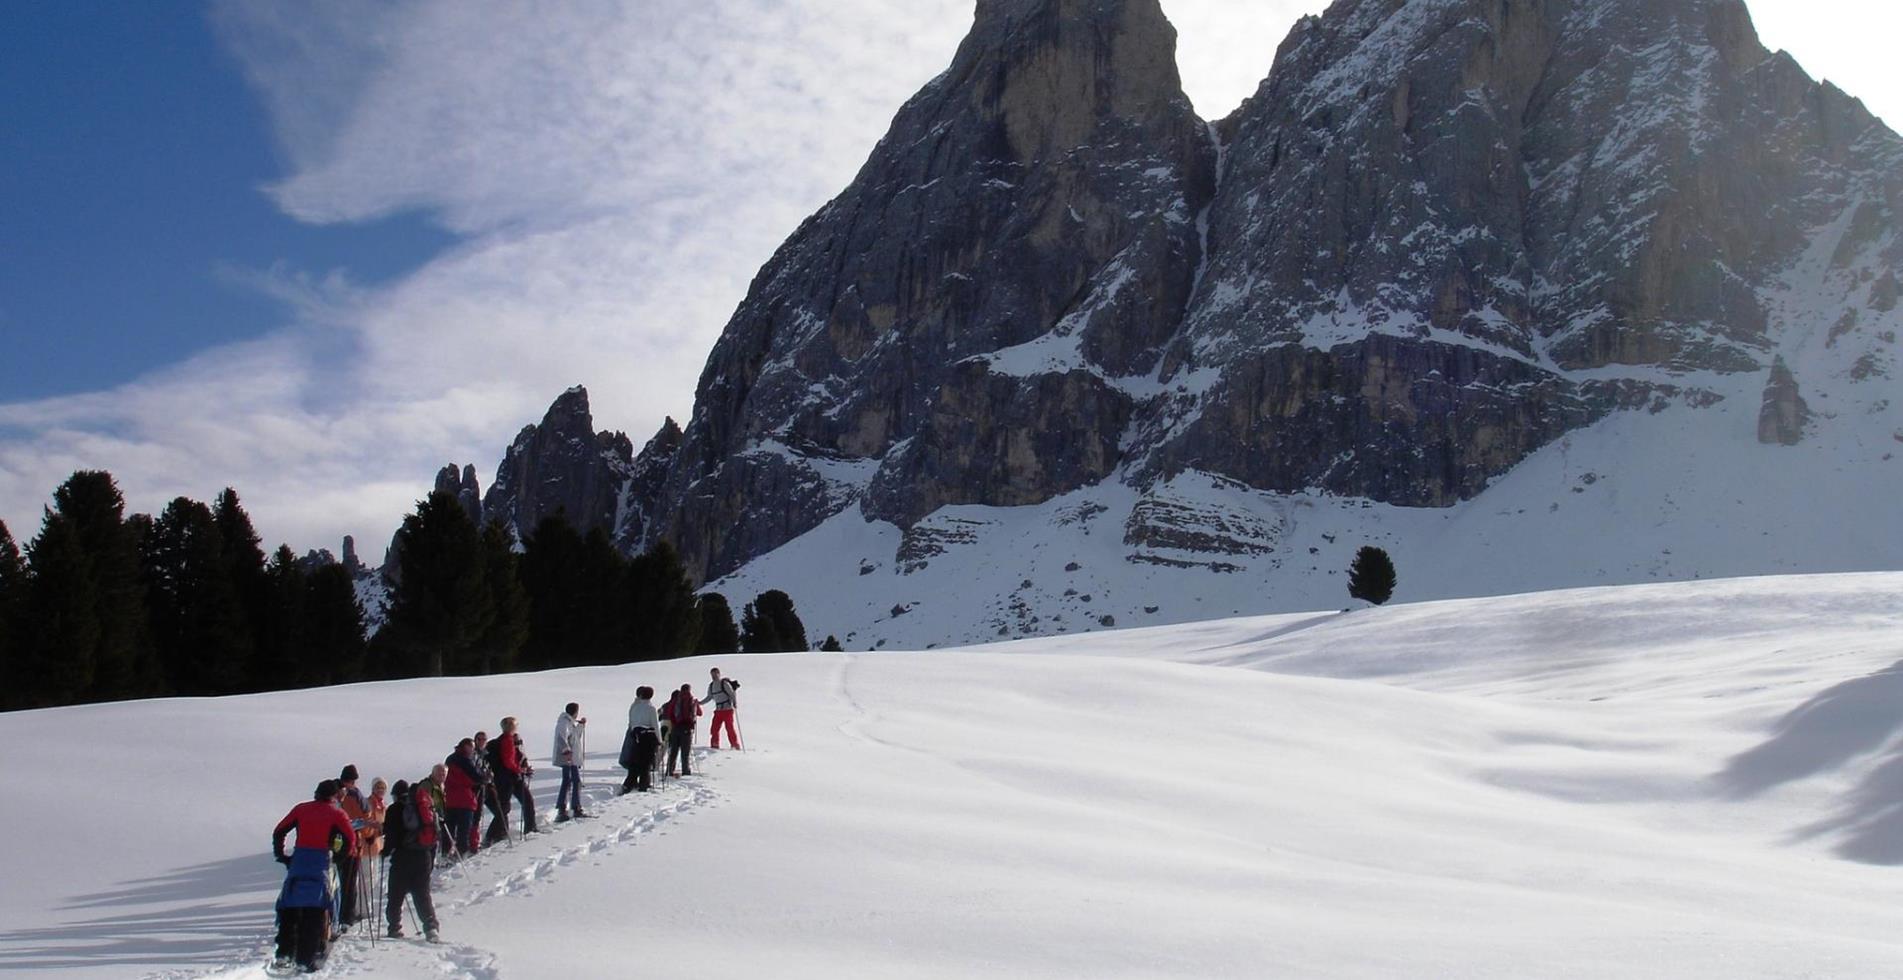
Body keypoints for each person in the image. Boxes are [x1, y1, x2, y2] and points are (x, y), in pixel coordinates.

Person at [271, 779, 356, 973]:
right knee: (314, 912)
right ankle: (305, 957)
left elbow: (279, 831)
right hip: (320, 865)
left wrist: (282, 855)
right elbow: (350, 839)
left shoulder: (301, 809)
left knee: (290, 908)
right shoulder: (337, 813)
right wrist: (339, 859)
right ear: (334, 795)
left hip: (298, 862)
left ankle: (284, 952)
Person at [383, 779, 440, 942]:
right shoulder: (423, 805)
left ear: (395, 795)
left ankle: (394, 927)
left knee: (396, 893)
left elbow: (391, 836)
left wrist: (385, 851)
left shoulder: (394, 810)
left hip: (402, 856)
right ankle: (431, 927)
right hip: (424, 855)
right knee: (422, 893)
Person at [334, 765, 367, 929]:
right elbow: (363, 816)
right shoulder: (351, 795)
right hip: (348, 843)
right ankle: (345, 916)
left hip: (346, 843)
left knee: (345, 881)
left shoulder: (341, 793)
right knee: (346, 882)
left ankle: (344, 915)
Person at [444, 739, 484, 858]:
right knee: (464, 829)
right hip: (465, 799)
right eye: (471, 747)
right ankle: (462, 852)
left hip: (450, 799)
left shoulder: (450, 759)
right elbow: (476, 777)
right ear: (466, 747)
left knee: (449, 829)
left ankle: (445, 853)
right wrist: (483, 778)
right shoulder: (465, 760)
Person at [620, 686, 660, 794]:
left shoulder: (635, 707)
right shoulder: (651, 708)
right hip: (648, 736)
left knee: (636, 760)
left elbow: (632, 722)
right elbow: (655, 724)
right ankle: (644, 784)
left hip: (636, 734)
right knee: (646, 762)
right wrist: (659, 739)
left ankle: (629, 783)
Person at [553, 702, 588, 821]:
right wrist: (566, 751)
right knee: (572, 781)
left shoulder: (569, 723)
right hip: (568, 758)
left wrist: (581, 726)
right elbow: (561, 738)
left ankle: (567, 808)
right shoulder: (564, 723)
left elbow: (575, 737)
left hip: (570, 757)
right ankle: (570, 808)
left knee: (569, 781)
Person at [662, 683, 701, 777]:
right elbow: (699, 713)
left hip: (676, 728)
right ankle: (685, 771)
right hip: (687, 729)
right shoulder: (692, 700)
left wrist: (675, 723)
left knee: (673, 751)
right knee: (685, 752)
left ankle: (669, 771)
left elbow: (671, 713)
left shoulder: (675, 700)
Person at [700, 667, 741, 749]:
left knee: (729, 728)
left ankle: (735, 745)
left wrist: (735, 703)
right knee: (714, 729)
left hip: (727, 710)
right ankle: (715, 744)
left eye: (715, 674)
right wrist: (700, 703)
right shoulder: (711, 686)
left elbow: (732, 693)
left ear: (719, 674)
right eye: (712, 674)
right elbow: (709, 697)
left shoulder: (724, 683)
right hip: (718, 711)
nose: (713, 676)